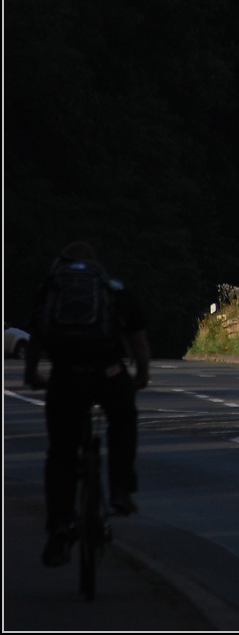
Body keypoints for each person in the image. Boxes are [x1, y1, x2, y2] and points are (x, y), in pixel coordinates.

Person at [24, 241, 151, 568]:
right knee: (123, 420)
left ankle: (58, 529)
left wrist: (33, 374)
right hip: (108, 373)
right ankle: (121, 489)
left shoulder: (52, 289)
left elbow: (36, 335)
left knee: (61, 452)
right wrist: (141, 375)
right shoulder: (113, 289)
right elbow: (138, 339)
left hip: (66, 376)